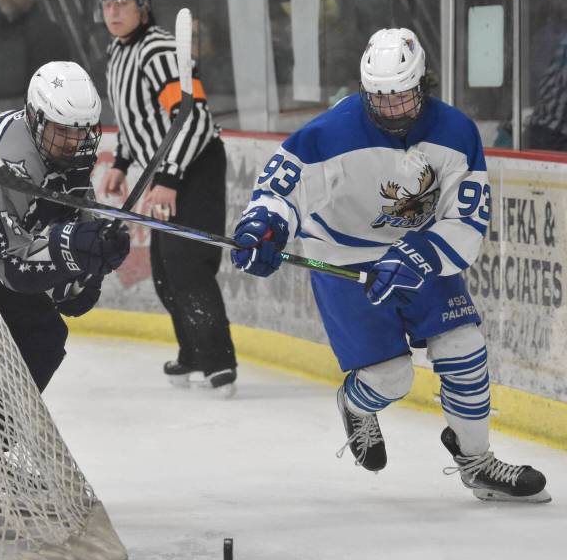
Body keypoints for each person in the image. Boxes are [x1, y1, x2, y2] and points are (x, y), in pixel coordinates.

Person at [230, 28, 549, 502]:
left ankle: (477, 463)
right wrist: (265, 227)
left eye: (402, 96)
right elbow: (279, 192)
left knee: (464, 346)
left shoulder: (456, 132)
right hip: (343, 256)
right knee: (391, 376)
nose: (391, 108)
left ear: (422, 85)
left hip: (419, 254)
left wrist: (421, 253)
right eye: (380, 98)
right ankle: (357, 404)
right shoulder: (326, 135)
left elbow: (466, 220)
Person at [0, 61, 128, 471]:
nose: (74, 142)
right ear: (35, 118)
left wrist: (92, 264)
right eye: (63, 130)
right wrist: (75, 249)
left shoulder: (64, 154)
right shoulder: (9, 157)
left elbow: (67, 293)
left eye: (84, 131)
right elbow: (10, 264)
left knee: (41, 338)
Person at [96, 0, 238, 392]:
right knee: (163, 269)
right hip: (166, 171)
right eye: (106, 4)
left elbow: (192, 118)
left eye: (122, 3)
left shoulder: (158, 50)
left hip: (194, 165)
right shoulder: (118, 51)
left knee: (187, 264)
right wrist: (121, 161)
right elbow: (132, 116)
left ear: (142, 6)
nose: (113, 12)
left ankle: (218, 363)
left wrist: (171, 178)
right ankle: (193, 354)